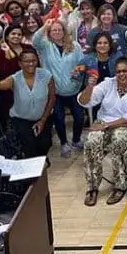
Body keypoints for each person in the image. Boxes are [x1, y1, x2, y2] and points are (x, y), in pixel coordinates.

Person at [78, 57, 127, 206]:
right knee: (91, 141)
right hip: (103, 123)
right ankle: (92, 187)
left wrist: (106, 125)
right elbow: (84, 102)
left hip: (125, 126)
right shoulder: (107, 84)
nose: (121, 74)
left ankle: (120, 186)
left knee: (120, 140)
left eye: (124, 71)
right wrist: (90, 87)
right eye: (118, 72)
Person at [0, 49, 55, 158]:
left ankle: (40, 165)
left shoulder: (46, 75)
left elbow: (52, 98)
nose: (31, 63)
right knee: (29, 148)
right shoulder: (15, 78)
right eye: (26, 61)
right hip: (21, 120)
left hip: (43, 118)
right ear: (20, 64)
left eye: (33, 60)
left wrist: (43, 120)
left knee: (45, 144)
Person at [32, 19, 84, 157]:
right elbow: (35, 40)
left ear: (64, 31)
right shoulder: (45, 46)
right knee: (59, 119)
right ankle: (64, 143)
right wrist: (45, 26)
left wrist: (79, 72)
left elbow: (82, 64)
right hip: (55, 92)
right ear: (49, 32)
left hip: (73, 88)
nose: (57, 32)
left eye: (59, 29)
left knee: (79, 117)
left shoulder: (75, 46)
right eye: (53, 30)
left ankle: (76, 140)